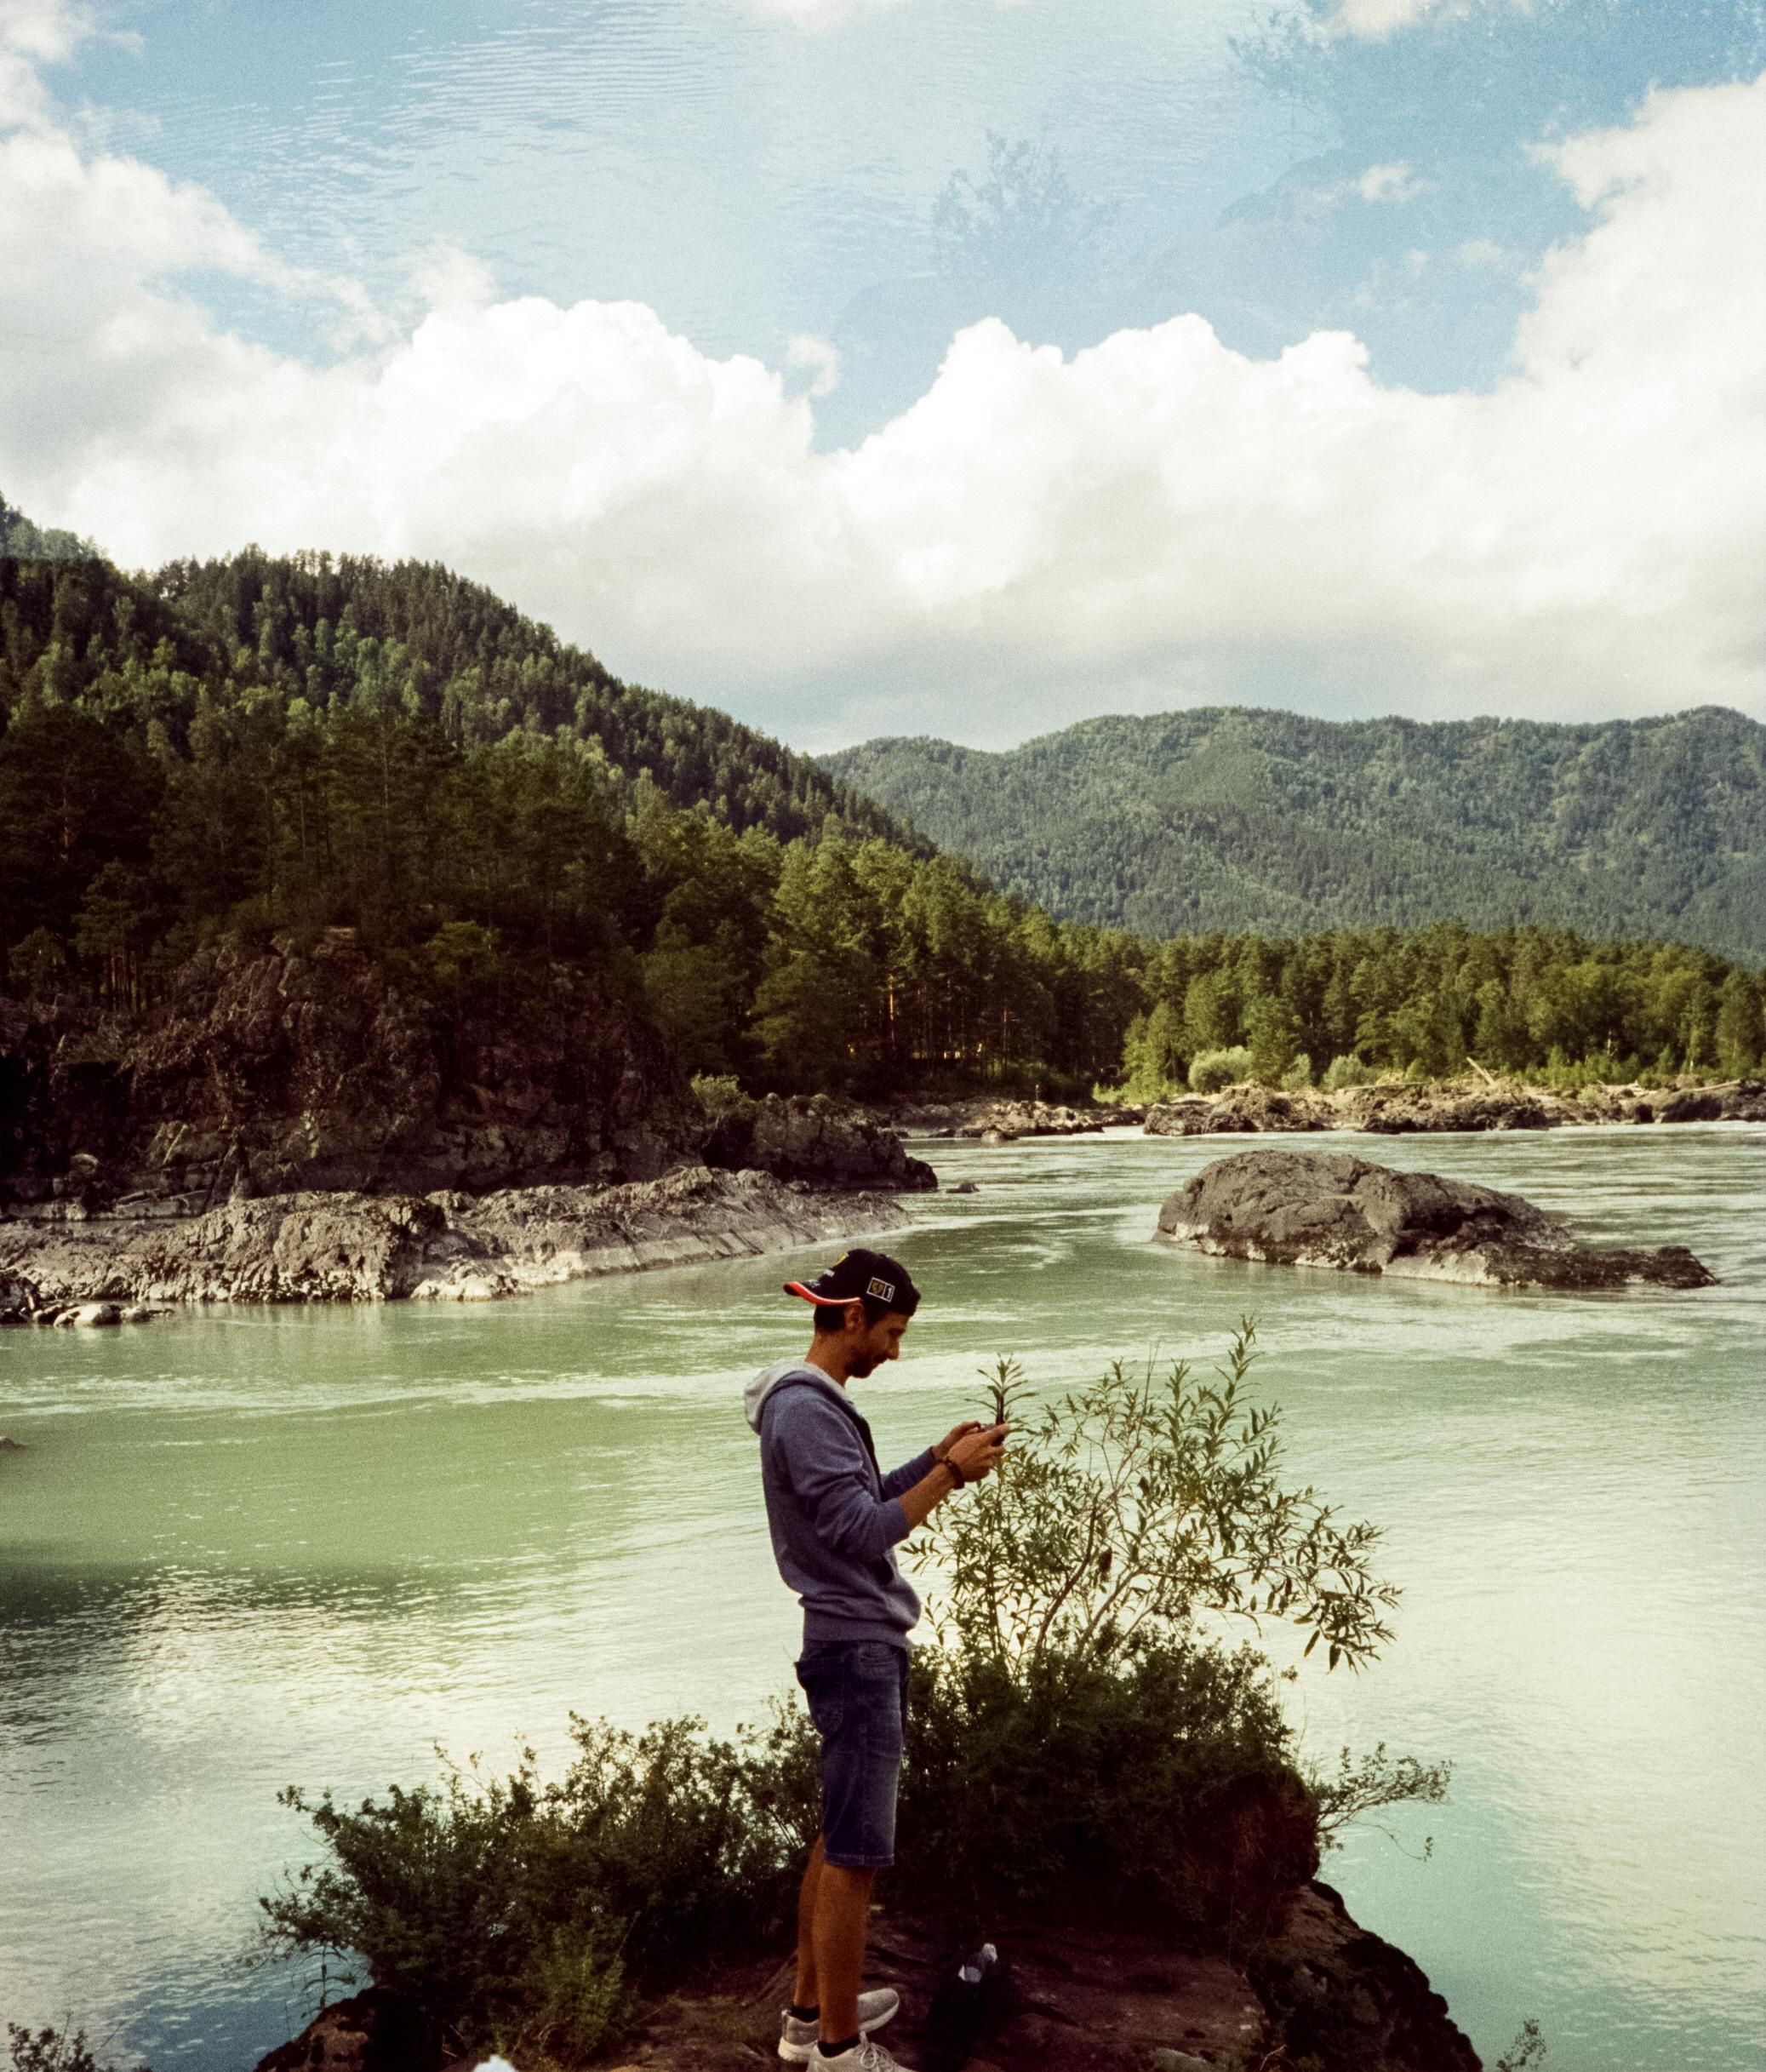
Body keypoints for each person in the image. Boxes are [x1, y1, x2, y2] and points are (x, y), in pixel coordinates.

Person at [745, 1247, 1009, 2072]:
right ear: (852, 1316)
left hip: (853, 1639)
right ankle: (836, 2051)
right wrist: (951, 1477)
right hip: (855, 1647)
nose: (895, 1350)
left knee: (836, 1838)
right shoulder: (806, 1409)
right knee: (856, 1854)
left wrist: (935, 1461)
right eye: (891, 1332)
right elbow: (863, 1532)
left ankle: (807, 2015)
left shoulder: (812, 1404)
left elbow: (857, 1507)